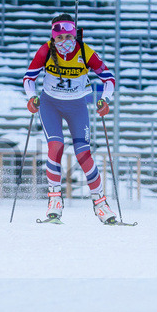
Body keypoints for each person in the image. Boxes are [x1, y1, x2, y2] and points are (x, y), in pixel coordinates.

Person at [24, 13, 116, 223]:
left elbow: (108, 78)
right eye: (59, 38)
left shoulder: (85, 51)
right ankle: (54, 199)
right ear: (53, 37)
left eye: (67, 37)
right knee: (55, 146)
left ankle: (100, 203)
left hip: (77, 105)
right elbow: (29, 77)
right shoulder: (46, 50)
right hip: (50, 104)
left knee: (84, 154)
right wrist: (31, 98)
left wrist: (105, 99)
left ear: (74, 35)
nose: (63, 42)